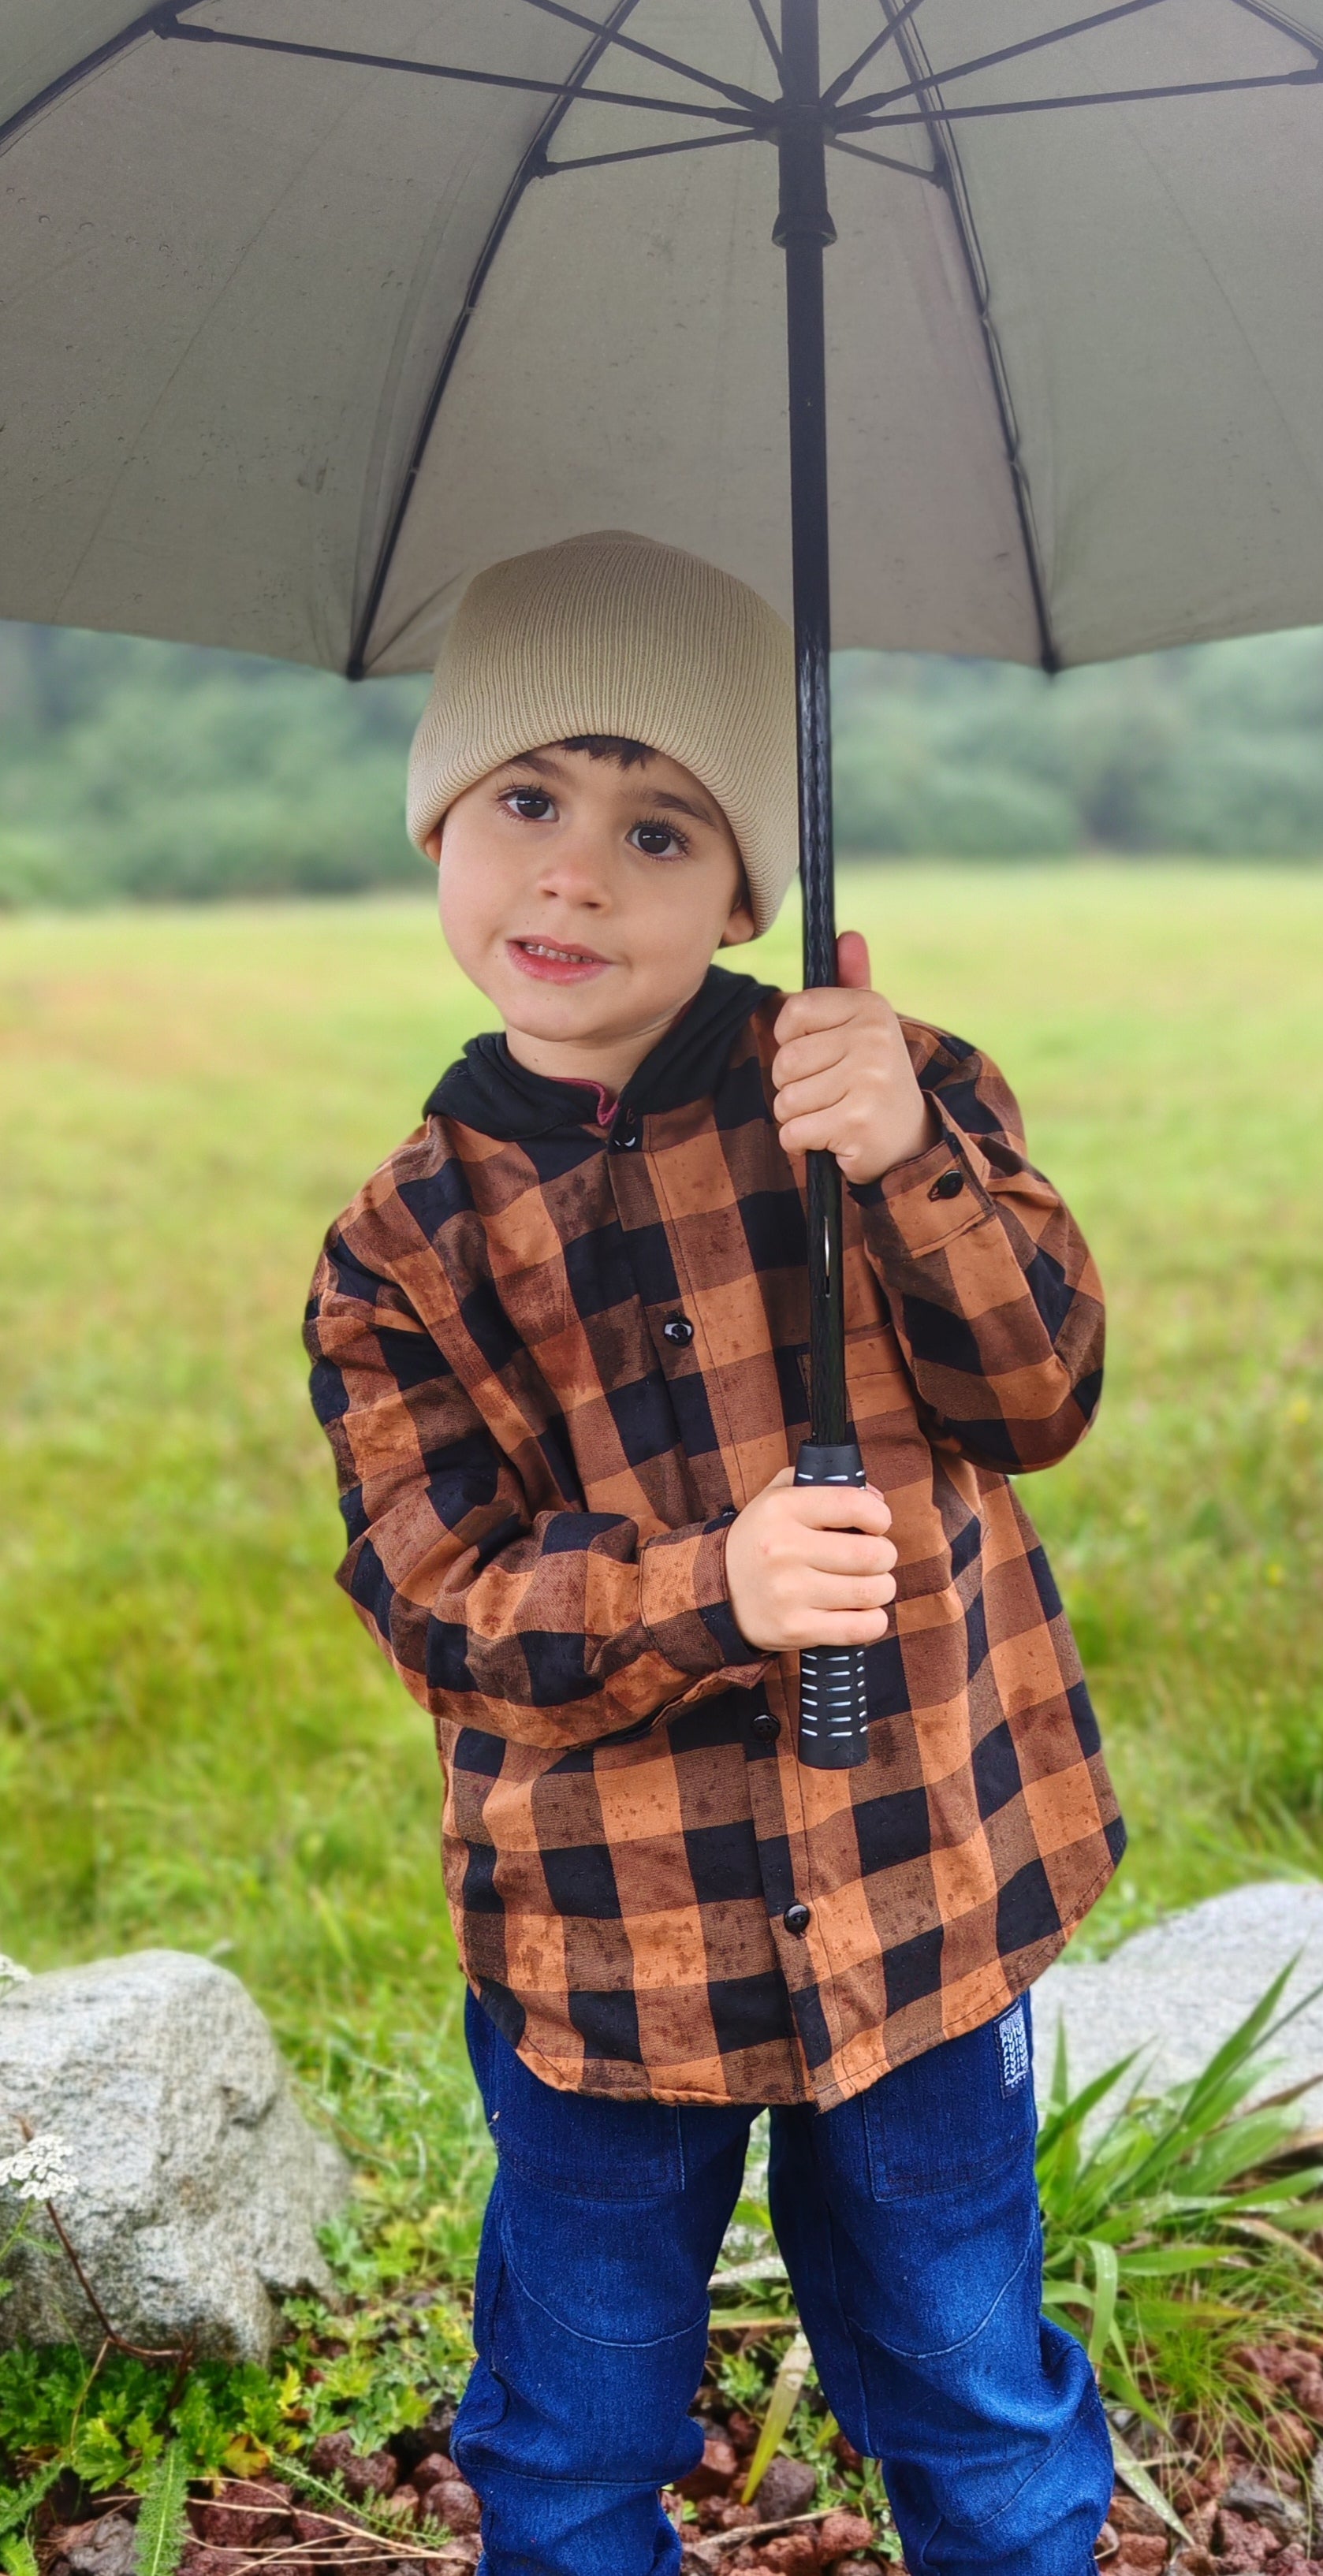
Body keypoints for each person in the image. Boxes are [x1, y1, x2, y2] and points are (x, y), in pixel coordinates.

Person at [304, 530, 1124, 2576]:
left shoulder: (874, 1097)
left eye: (658, 828)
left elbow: (1040, 1387)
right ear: (438, 822)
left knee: (966, 2369)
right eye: (526, 801)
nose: (576, 875)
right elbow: (439, 1600)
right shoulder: (400, 1251)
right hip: (611, 1947)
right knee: (576, 2418)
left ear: (752, 888)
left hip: (919, 1885)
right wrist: (711, 1586)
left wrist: (907, 1152)